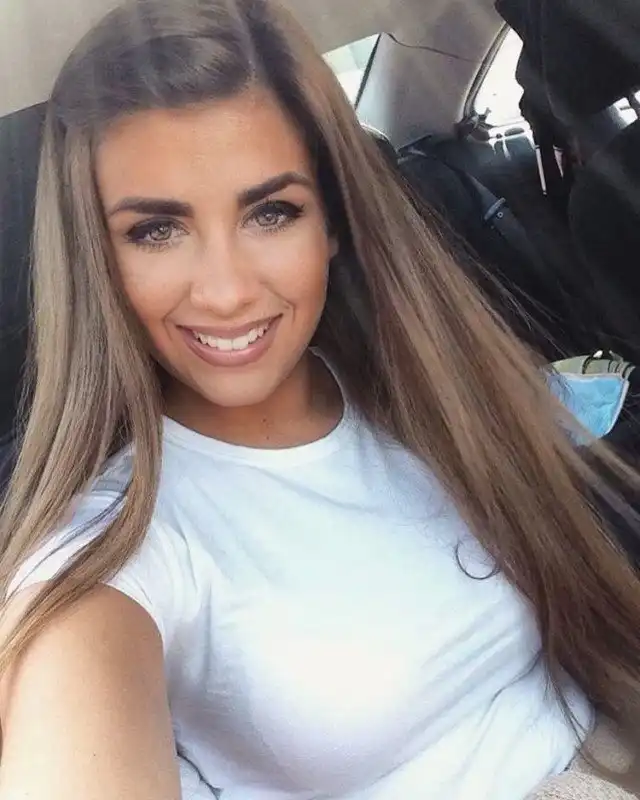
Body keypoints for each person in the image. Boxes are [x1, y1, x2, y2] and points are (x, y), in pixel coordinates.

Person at [0, 1, 640, 798]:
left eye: (272, 212)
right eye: (156, 230)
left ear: (331, 223)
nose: (227, 291)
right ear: (96, 254)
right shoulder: (107, 550)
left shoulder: (427, 385)